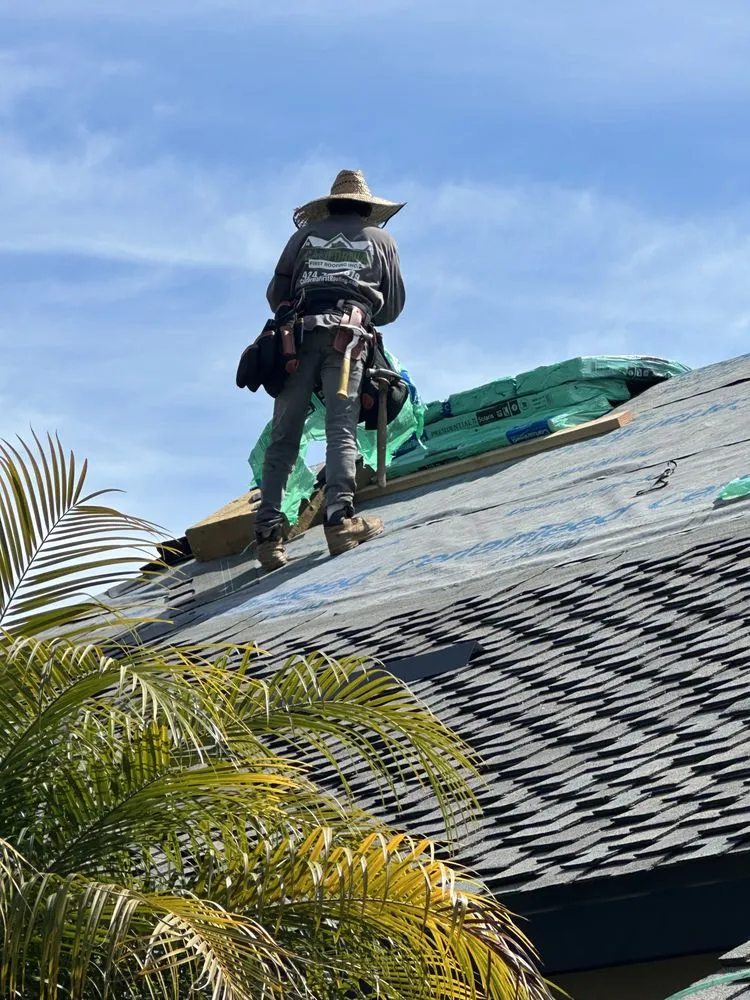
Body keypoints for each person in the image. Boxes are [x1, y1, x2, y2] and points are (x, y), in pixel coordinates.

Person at [254, 169, 406, 572]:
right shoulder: (382, 241)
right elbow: (390, 308)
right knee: (342, 428)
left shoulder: (302, 237)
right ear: (367, 208)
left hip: (295, 342)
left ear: (330, 205)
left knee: (283, 437)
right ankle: (340, 523)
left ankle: (268, 539)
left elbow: (276, 294)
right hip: (347, 340)